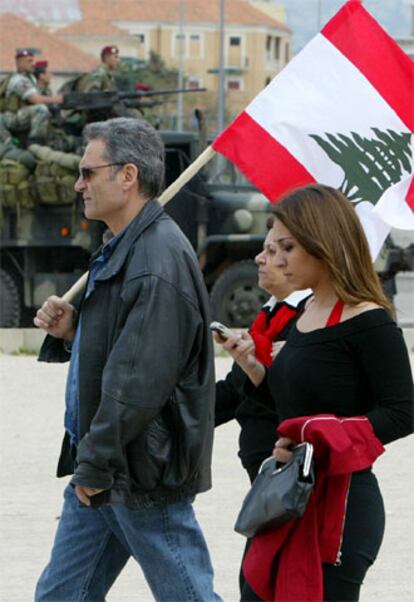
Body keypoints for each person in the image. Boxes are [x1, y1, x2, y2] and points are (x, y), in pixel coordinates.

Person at [33, 117, 221, 602]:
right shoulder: (127, 247)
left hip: (138, 470)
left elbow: (138, 382)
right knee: (59, 596)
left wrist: (95, 465)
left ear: (128, 176)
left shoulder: (156, 260)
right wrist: (74, 328)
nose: (79, 185)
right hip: (106, 463)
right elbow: (125, 350)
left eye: (88, 173)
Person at [217, 184, 413, 602]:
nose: (276, 258)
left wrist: (319, 438)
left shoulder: (370, 321)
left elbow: (403, 411)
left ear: (322, 244)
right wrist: (255, 371)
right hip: (285, 499)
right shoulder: (304, 314)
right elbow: (292, 405)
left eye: (288, 246)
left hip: (338, 509)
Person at [215, 227, 310, 598]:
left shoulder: (308, 317)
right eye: (265, 249)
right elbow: (235, 391)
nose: (259, 258)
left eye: (275, 250)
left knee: (262, 583)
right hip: (266, 480)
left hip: (290, 478)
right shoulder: (269, 314)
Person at [1, 49, 63, 144]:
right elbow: (35, 99)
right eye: (29, 61)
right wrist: (56, 99)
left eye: (32, 61)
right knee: (40, 109)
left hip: (21, 114)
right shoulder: (18, 80)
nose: (32, 64)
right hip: (11, 117)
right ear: (19, 62)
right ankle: (35, 143)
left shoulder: (30, 78)